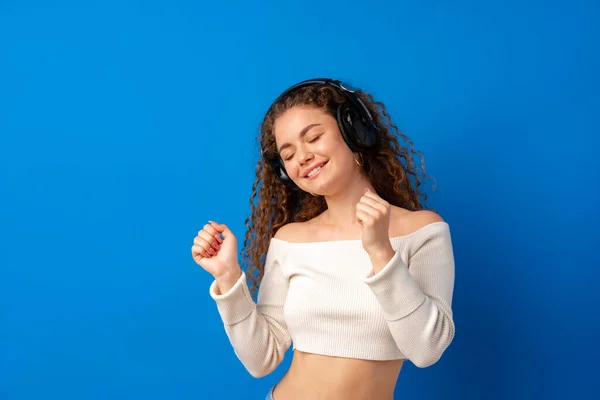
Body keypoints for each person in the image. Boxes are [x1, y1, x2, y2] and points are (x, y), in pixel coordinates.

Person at [191, 78, 456, 400]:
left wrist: (380, 252)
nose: (302, 156)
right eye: (288, 154)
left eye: (314, 137)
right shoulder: (290, 240)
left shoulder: (422, 231)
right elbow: (261, 360)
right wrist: (228, 278)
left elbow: (426, 349)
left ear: (353, 131)